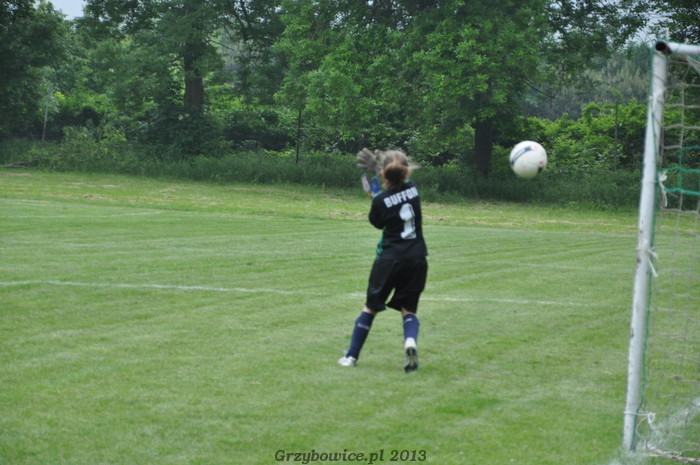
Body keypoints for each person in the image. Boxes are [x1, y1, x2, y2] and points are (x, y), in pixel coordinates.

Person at [338, 149, 428, 373]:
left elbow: (378, 223)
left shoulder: (381, 200)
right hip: (416, 258)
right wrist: (381, 177)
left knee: (370, 308)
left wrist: (374, 194)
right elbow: (399, 184)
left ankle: (351, 356)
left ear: (384, 173)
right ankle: (410, 342)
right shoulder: (413, 189)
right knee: (408, 310)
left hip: (389, 260)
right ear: (407, 171)